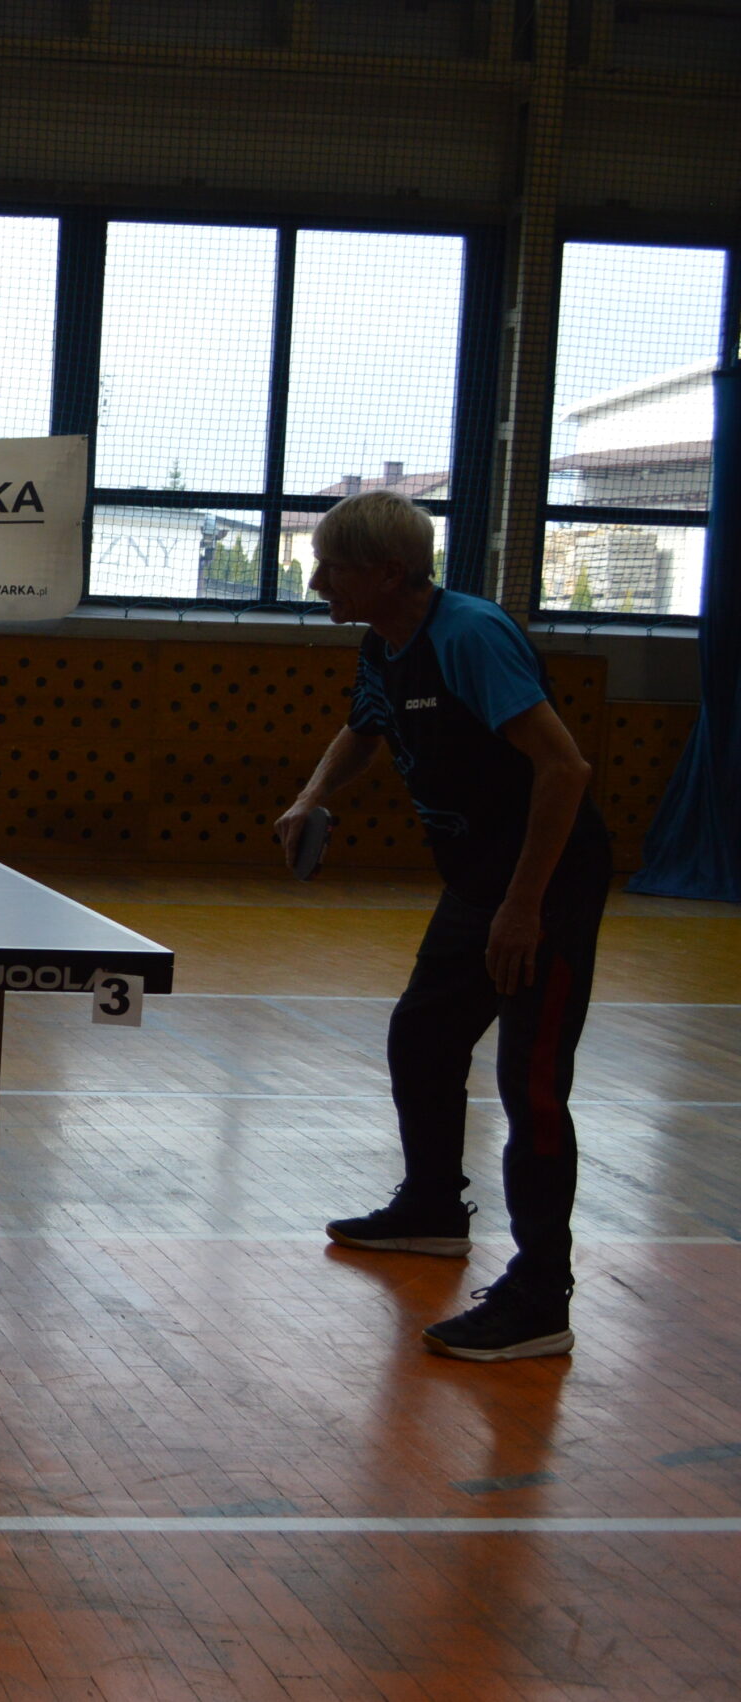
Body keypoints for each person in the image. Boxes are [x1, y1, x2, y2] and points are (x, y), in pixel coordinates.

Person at [276, 489, 611, 1362]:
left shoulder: (469, 636)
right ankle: (431, 1208)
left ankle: (541, 1297)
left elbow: (565, 768)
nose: (316, 584)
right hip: (478, 885)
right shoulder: (384, 642)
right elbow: (365, 728)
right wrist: (312, 795)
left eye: (332, 568)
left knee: (532, 1086)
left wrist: (524, 906)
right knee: (423, 1037)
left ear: (389, 573)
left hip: (546, 886)